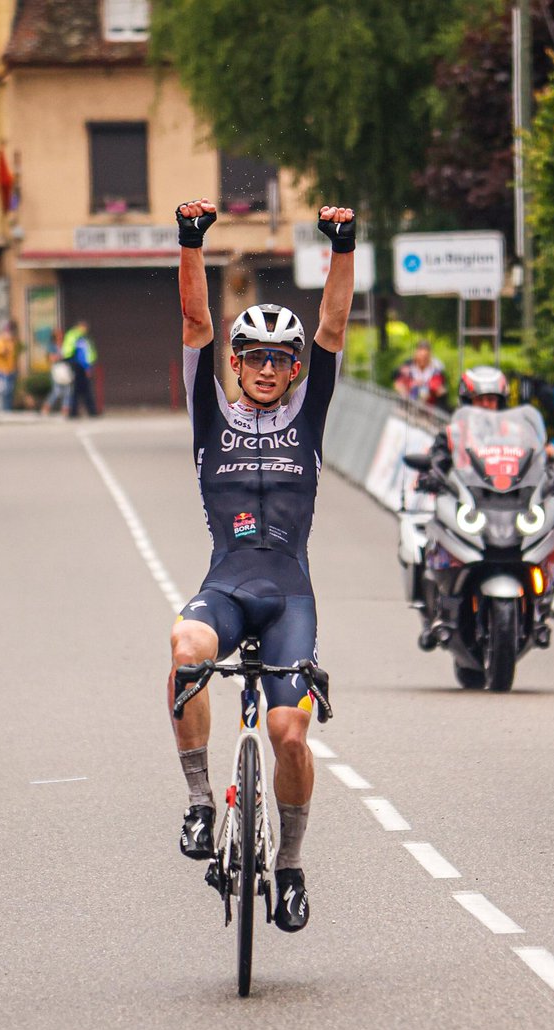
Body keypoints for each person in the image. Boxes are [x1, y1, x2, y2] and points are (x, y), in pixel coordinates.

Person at [170, 197, 355, 932]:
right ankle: (195, 805)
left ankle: (291, 866)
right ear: (237, 364)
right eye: (255, 357)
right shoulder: (208, 412)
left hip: (289, 599)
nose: (269, 368)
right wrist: (192, 242)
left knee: (288, 735)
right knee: (185, 646)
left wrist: (344, 247)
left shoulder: (308, 415)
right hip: (227, 585)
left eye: (282, 358)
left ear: (295, 367)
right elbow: (195, 324)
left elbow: (335, 325)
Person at [393, 339, 447, 407]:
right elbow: (398, 383)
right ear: (416, 354)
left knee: (425, 391)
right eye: (420, 356)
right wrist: (411, 385)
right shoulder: (408, 368)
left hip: (428, 406)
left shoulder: (435, 370)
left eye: (425, 357)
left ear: (429, 356)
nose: (422, 360)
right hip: (409, 403)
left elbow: (438, 387)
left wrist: (425, 385)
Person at [62, 320, 98, 418]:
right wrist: (87, 367)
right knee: (83, 390)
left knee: (77, 390)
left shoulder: (75, 336)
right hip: (79, 366)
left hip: (75, 365)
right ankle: (90, 412)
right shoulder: (79, 337)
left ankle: (75, 412)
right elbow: (82, 354)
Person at [41, 328, 72, 416]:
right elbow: (51, 358)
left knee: (68, 391)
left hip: (66, 369)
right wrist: (60, 356)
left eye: (61, 335)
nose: (60, 337)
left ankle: (65, 410)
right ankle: (46, 407)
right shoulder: (52, 346)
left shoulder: (66, 345)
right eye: (57, 335)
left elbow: (70, 355)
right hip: (57, 369)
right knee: (57, 391)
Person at [0, 321, 20, 412]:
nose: (10, 334)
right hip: (1, 371)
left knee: (10, 392)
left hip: (11, 370)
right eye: (8, 332)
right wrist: (6, 341)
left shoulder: (13, 341)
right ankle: (4, 410)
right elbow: (1, 352)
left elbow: (14, 355)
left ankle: (8, 409)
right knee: (4, 392)